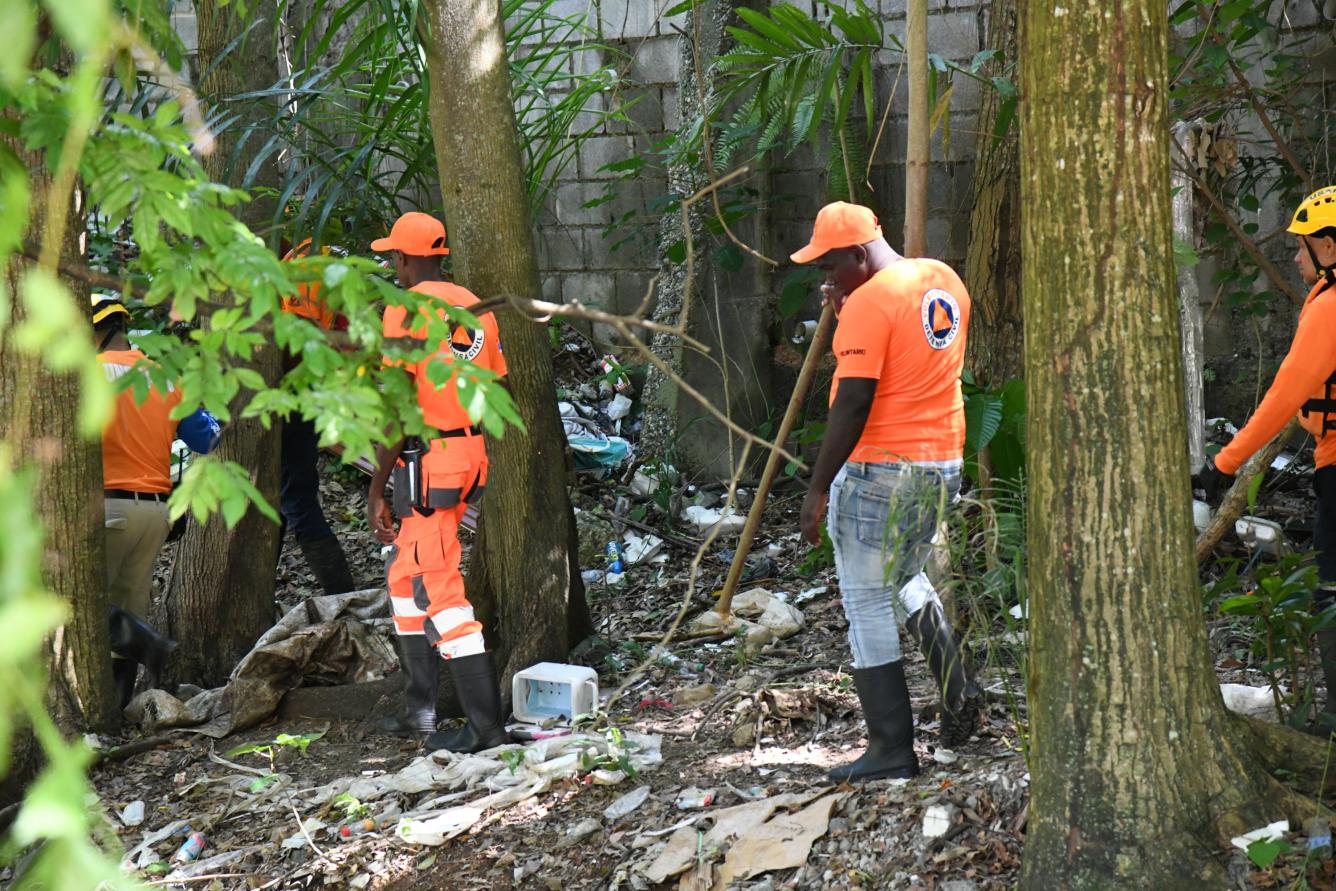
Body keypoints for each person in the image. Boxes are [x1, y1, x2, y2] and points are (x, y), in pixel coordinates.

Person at [790, 202, 979, 782]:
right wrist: (850, 308)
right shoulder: (941, 279)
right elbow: (907, 353)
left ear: (858, 254)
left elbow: (853, 401)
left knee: (866, 599)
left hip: (880, 470)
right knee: (906, 576)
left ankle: (891, 748)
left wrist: (818, 487)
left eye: (831, 265)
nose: (826, 278)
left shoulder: (869, 303)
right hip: (941, 459)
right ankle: (960, 693)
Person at [364, 212, 509, 751]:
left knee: (437, 586)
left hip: (427, 458)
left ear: (403, 259)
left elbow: (399, 409)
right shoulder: (472, 305)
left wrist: (378, 485)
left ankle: (486, 728)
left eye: (392, 259)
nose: (393, 268)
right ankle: (419, 713)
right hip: (468, 451)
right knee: (405, 578)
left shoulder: (406, 309)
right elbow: (499, 389)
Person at [1200, 185, 1336, 729]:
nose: (1297, 256)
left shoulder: (1329, 308)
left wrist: (1223, 465)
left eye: (1303, 246)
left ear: (1329, 245)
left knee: (1330, 587)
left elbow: (1282, 398)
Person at [95, 293, 218, 705]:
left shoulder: (79, 374)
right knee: (129, 608)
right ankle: (117, 708)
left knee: (82, 606)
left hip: (106, 506)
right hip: (154, 512)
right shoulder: (163, 376)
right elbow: (207, 435)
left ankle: (150, 647)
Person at [277, 238, 357, 596]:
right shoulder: (318, 258)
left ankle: (340, 590)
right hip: (315, 389)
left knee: (297, 497)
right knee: (286, 494)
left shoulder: (304, 266)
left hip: (297, 394)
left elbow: (301, 338)